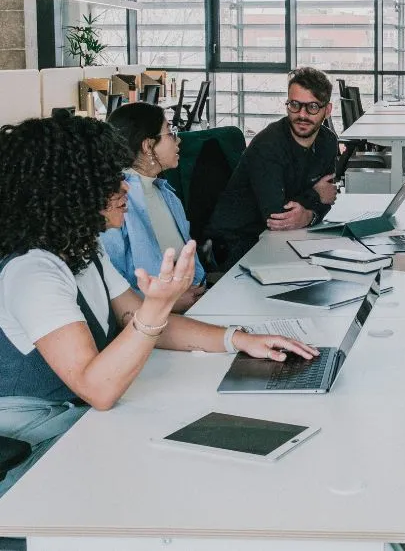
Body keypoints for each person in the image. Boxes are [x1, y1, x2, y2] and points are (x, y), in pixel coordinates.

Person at [0, 114, 318, 496]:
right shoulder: (34, 272)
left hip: (77, 418)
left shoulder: (82, 250)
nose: (124, 188)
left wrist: (238, 340)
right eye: (110, 179)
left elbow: (134, 315)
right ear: (72, 190)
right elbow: (97, 388)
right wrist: (158, 305)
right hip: (37, 439)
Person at [207, 67, 339, 270]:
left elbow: (328, 199)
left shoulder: (328, 142)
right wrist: (314, 195)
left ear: (327, 110)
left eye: (312, 107)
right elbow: (277, 218)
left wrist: (310, 215)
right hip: (238, 242)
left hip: (284, 238)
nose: (302, 115)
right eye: (294, 105)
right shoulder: (268, 144)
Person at [101, 102, 205, 313]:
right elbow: (110, 285)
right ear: (148, 146)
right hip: (150, 318)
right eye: (170, 133)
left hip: (196, 304)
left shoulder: (166, 193)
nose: (178, 139)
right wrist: (169, 302)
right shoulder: (115, 204)